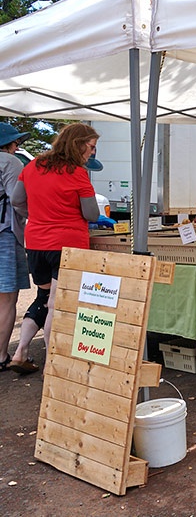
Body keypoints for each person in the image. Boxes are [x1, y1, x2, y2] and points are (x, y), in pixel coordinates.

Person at [9, 123, 101, 374]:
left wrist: (38, 214)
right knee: (56, 305)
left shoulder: (33, 165)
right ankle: (54, 364)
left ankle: (20, 351)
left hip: (36, 243)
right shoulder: (77, 173)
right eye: (91, 147)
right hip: (67, 245)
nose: (92, 152)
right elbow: (91, 212)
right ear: (78, 143)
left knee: (43, 298)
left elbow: (17, 200)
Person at [0, 123, 30, 372]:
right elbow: (17, 200)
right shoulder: (10, 163)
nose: (17, 147)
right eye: (16, 143)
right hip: (5, 235)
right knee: (6, 299)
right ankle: (1, 356)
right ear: (9, 144)